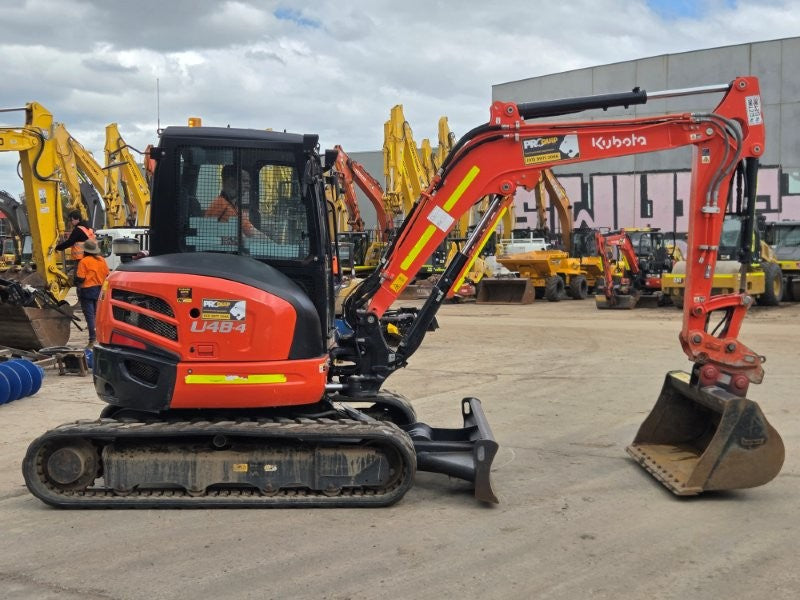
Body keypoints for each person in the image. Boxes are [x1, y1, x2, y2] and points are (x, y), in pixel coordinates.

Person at [205, 166, 263, 237]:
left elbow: (251, 230)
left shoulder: (233, 206)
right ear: (231, 182)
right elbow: (246, 237)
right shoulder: (222, 206)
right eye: (244, 181)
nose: (248, 186)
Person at [75, 238, 110, 348]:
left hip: (88, 290)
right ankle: (101, 338)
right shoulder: (102, 260)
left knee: (90, 316)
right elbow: (107, 275)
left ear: (85, 250)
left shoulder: (84, 262)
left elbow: (80, 278)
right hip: (101, 290)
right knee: (98, 315)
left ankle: (92, 340)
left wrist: (74, 282)